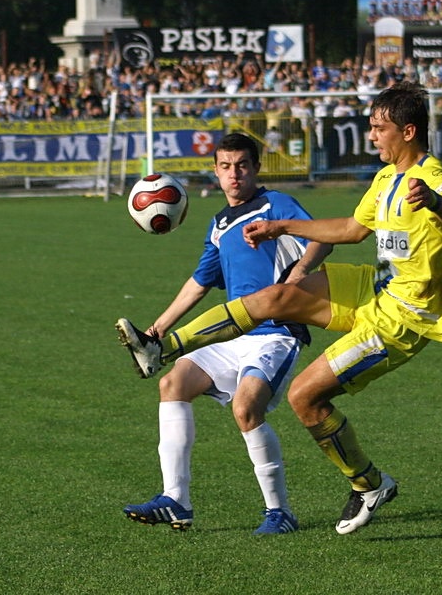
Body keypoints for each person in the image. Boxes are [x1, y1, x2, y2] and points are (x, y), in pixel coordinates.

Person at [117, 81, 442, 534]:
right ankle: (159, 348)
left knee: (305, 397)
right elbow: (348, 228)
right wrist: (281, 227)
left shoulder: (433, 176)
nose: (372, 136)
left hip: (403, 315)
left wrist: (437, 201)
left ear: (408, 130)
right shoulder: (386, 179)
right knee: (273, 298)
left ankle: (368, 483)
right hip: (374, 286)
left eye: (379, 128)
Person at [122, 133, 329, 535]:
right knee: (173, 382)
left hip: (277, 332)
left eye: (242, 166)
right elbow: (199, 282)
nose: (234, 174)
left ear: (256, 168)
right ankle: (176, 501)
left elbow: (321, 237)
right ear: (216, 171)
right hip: (234, 336)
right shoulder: (219, 224)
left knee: (245, 409)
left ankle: (279, 512)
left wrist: (300, 273)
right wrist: (157, 329)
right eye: (225, 166)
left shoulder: (277, 205)